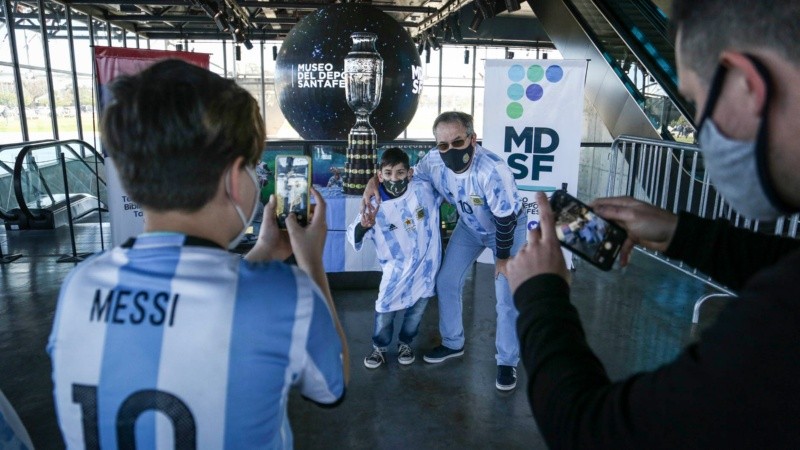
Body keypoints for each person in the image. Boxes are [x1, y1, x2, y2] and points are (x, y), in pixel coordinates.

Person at [506, 0, 800, 447]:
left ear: (747, 84)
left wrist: (540, 294)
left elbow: (591, 432)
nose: (698, 126)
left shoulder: (779, 328)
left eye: (697, 101)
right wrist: (683, 234)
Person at [47, 59, 349, 448]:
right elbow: (332, 385)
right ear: (233, 179)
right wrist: (311, 263)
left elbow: (181, 312)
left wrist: (262, 252)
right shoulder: (284, 296)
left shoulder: (80, 286)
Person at [362, 111, 527, 391]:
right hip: (470, 226)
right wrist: (371, 183)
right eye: (443, 145)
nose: (450, 150)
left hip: (507, 230)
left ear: (473, 139)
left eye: (458, 142)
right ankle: (453, 343)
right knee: (446, 281)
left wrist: (502, 259)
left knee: (505, 296)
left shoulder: (492, 171)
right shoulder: (433, 162)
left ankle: (507, 361)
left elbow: (505, 219)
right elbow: (403, 174)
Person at [348, 148, 442, 369]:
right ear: (379, 175)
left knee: (416, 312)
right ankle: (379, 347)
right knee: (385, 310)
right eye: (388, 173)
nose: (394, 178)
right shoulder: (373, 203)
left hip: (426, 268)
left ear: (409, 173)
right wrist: (363, 226)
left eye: (400, 173)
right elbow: (353, 233)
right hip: (395, 269)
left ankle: (405, 343)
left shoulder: (424, 189)